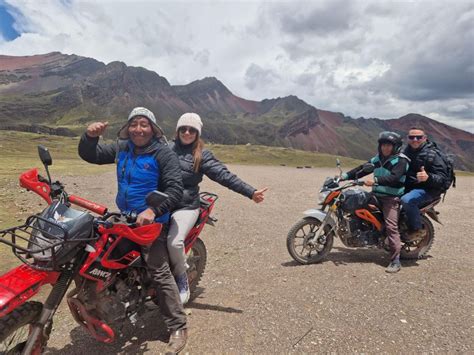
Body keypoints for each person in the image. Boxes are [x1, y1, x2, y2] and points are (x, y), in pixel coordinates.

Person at [78, 107, 187, 354]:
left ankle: (178, 325)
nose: (138, 129)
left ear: (153, 128)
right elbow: (91, 154)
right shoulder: (122, 148)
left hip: (152, 222)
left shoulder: (163, 153)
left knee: (158, 270)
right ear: (128, 128)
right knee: (95, 252)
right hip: (125, 218)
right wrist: (89, 137)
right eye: (134, 124)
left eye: (144, 124)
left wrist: (152, 211)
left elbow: (174, 190)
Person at [167, 113, 268, 303]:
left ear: (197, 133)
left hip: (185, 206)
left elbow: (224, 176)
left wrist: (251, 192)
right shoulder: (166, 149)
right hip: (163, 204)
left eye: (192, 130)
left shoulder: (202, 155)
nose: (187, 132)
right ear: (177, 130)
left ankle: (181, 280)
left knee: (174, 243)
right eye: (183, 129)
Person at [341, 132, 409, 273]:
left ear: (395, 147)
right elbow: (362, 168)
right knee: (356, 204)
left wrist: (376, 180)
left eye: (389, 145)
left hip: (391, 198)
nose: (385, 148)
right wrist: (345, 176)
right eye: (383, 145)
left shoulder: (401, 161)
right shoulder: (377, 159)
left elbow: (394, 178)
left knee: (391, 226)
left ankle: (396, 260)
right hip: (376, 195)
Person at [401, 127, 448, 240]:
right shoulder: (405, 152)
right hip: (410, 187)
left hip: (429, 190)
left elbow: (442, 179)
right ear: (408, 138)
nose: (415, 139)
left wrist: (428, 177)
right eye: (412, 137)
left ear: (425, 138)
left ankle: (417, 230)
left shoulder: (432, 155)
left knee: (407, 201)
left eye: (419, 137)